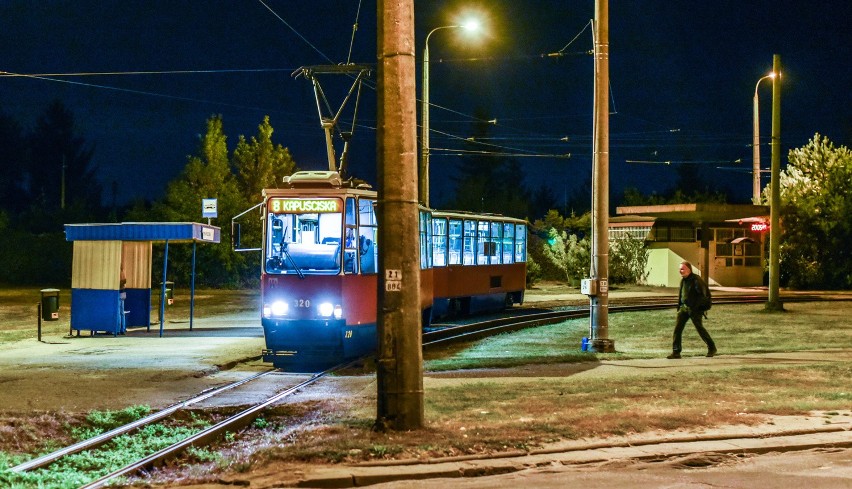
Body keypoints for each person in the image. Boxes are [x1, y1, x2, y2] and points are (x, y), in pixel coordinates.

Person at [667, 261, 716, 359]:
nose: (680, 271)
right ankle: (676, 352)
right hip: (684, 308)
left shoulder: (696, 280)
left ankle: (712, 348)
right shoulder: (683, 281)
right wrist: (679, 306)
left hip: (694, 310)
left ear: (689, 269)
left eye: (682, 269)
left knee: (700, 329)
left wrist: (697, 307)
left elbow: (703, 296)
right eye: (680, 269)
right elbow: (681, 295)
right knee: (677, 329)